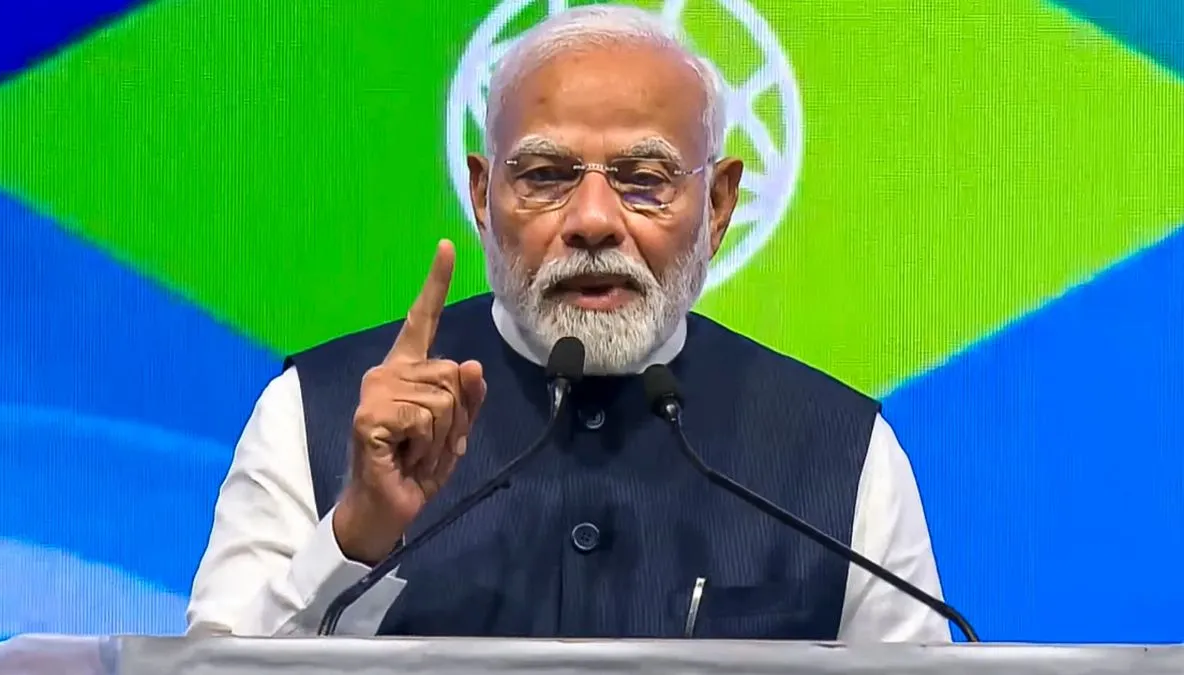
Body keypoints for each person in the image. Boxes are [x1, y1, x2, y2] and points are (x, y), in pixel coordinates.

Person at [186, 4, 951, 643]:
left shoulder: (839, 449)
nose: (592, 220)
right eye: (546, 176)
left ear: (718, 205)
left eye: (643, 180)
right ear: (483, 195)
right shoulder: (315, 412)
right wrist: (355, 534)